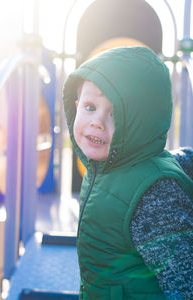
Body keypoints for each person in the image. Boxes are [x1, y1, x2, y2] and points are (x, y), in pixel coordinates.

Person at [63, 47, 193, 299]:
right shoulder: (104, 168)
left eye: (116, 114)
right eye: (90, 107)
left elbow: (185, 281)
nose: (97, 121)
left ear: (142, 124)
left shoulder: (153, 197)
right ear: (76, 106)